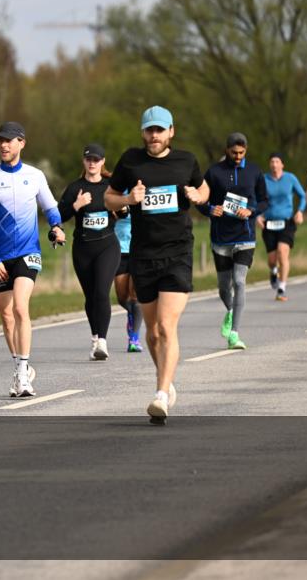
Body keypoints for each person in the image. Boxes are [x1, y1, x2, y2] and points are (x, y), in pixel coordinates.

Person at [105, 106, 208, 424]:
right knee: (151, 333)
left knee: (166, 325)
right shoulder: (131, 161)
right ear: (143, 133)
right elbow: (110, 197)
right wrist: (128, 201)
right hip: (143, 254)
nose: (154, 136)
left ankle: (161, 394)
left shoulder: (186, 161)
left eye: (160, 130)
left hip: (178, 252)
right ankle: (166, 378)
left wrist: (199, 195)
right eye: (150, 130)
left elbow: (203, 188)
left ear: (171, 132)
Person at [0, 122, 65, 397]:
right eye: (0, 141)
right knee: (5, 314)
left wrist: (56, 226)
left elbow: (50, 207)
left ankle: (23, 375)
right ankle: (20, 367)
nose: (4, 145)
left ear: (21, 143)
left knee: (20, 308)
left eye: (9, 140)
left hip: (28, 252)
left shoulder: (35, 175)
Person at [197, 133, 268, 350]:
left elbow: (265, 200)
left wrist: (252, 211)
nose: (237, 156)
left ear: (246, 150)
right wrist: (210, 209)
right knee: (223, 288)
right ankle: (230, 310)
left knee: (239, 281)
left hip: (245, 236)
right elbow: (200, 199)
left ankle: (234, 334)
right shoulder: (214, 172)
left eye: (241, 153)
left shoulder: (255, 171)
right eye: (234, 152)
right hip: (221, 238)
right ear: (227, 150)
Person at [58, 143, 121, 360]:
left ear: (103, 161)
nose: (92, 163)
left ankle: (102, 341)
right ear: (84, 161)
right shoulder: (76, 187)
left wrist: (121, 209)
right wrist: (76, 205)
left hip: (107, 245)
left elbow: (124, 210)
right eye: (88, 159)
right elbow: (58, 216)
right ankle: (94, 337)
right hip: (83, 248)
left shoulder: (111, 185)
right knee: (91, 296)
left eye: (96, 159)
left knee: (102, 292)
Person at [259, 153, 306, 302]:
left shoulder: (290, 178)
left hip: (286, 222)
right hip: (269, 222)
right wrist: (258, 215)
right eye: (272, 161)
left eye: (277, 161)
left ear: (282, 165)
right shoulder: (263, 180)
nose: (274, 164)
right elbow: (256, 199)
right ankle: (273, 270)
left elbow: (303, 196)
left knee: (282, 252)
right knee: (272, 259)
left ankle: (282, 287)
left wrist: (299, 211)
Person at [113, 193, 143, 353]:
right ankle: (132, 315)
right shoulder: (116, 191)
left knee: (135, 296)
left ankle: (134, 338)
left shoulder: (144, 191)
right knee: (122, 297)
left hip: (139, 248)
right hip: (119, 249)